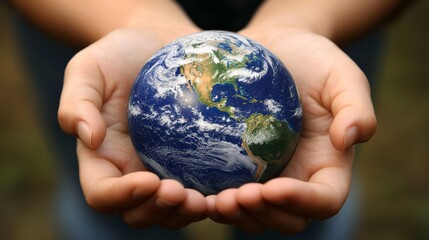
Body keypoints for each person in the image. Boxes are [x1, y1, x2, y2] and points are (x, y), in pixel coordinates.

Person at [7, 0, 410, 239]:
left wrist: (303, 19)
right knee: (106, 198)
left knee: (302, 219)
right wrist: (132, 18)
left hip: (334, 18)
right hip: (85, 21)